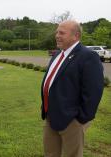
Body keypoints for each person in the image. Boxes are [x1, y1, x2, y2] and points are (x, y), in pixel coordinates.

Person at [40, 20, 104, 157]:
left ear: (76, 36)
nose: (57, 35)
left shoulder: (88, 56)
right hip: (51, 116)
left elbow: (94, 91)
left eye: (62, 33)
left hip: (72, 121)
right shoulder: (58, 54)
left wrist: (80, 120)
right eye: (57, 32)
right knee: (50, 153)